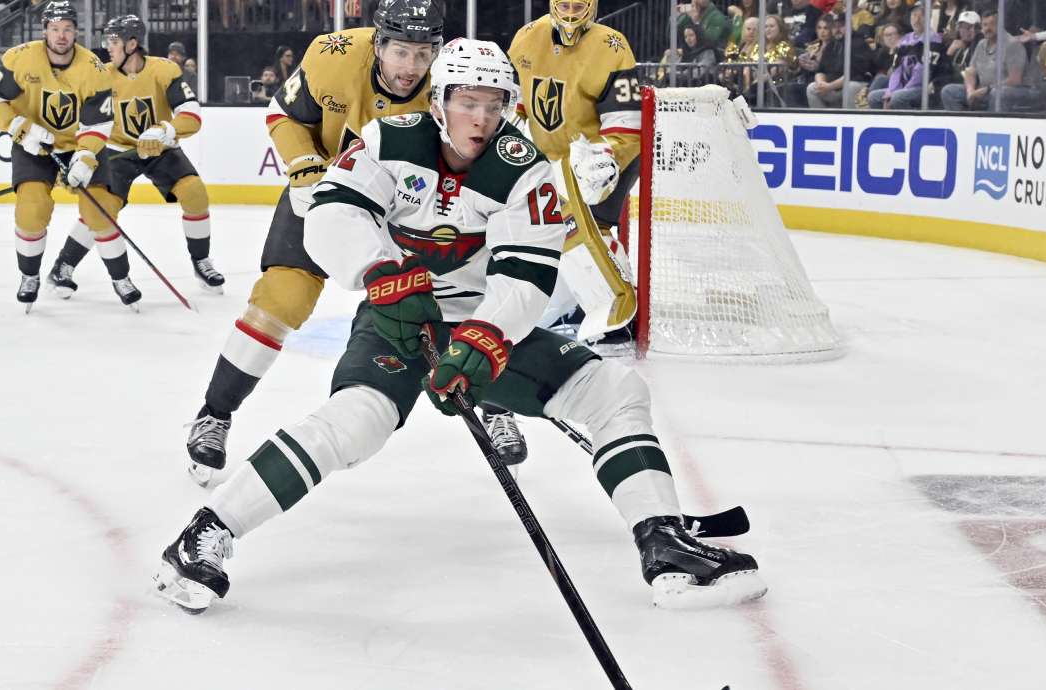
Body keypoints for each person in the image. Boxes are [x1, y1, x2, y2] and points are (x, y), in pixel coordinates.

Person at [152, 38, 768, 616]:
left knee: (615, 393)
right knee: (356, 424)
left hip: (479, 321)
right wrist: (380, 273)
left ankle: (662, 541)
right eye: (467, 102)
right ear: (440, 101)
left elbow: (527, 272)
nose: (480, 117)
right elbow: (333, 212)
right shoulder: (388, 139)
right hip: (395, 320)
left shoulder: (522, 167)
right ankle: (205, 534)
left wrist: (485, 337)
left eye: (494, 104)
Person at [183, 0, 443, 485]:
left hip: (408, 209)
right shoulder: (333, 54)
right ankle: (215, 413)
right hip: (326, 191)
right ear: (379, 43)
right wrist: (303, 164)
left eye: (423, 54)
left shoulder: (452, 82)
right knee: (280, 300)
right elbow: (283, 114)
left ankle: (495, 405)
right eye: (401, 51)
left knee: (447, 304)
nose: (411, 67)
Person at [505, 0, 646, 463]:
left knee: (582, 237)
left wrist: (602, 160)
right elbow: (520, 106)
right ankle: (567, 306)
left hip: (602, 161)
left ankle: (614, 309)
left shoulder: (611, 46)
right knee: (534, 240)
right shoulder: (527, 38)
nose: (569, 8)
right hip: (549, 162)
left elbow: (627, 127)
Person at [45, 15, 224, 302]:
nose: (108, 48)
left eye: (113, 42)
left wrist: (165, 131)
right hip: (117, 152)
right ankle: (63, 266)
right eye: (106, 42)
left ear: (132, 44)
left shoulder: (164, 70)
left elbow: (191, 116)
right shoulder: (99, 76)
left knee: (194, 192)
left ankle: (201, 262)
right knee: (101, 210)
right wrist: (72, 159)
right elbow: (78, 123)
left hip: (160, 148)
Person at [0, 0, 125, 310]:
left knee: (102, 210)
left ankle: (121, 278)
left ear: (76, 32)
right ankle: (29, 276)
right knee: (32, 209)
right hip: (33, 144)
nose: (61, 36)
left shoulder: (94, 69)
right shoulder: (18, 59)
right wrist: (19, 127)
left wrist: (85, 158)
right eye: (55, 29)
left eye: (68, 29)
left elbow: (98, 122)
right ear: (44, 30)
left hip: (78, 144)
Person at [941, 7, 1038, 111]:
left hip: (1015, 92)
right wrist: (970, 91)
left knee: (998, 94)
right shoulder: (981, 44)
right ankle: (965, 126)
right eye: (985, 25)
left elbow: (1015, 80)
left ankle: (992, 127)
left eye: (992, 24)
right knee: (949, 91)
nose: (987, 28)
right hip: (985, 91)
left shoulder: (1012, 44)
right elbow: (971, 71)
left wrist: (986, 90)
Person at [866, 3, 942, 109]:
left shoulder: (933, 40)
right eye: (914, 15)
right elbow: (897, 69)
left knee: (898, 97)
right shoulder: (905, 39)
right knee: (873, 97)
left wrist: (899, 92)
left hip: (922, 88)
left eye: (921, 16)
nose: (916, 20)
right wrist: (891, 91)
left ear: (928, 18)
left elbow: (921, 74)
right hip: (903, 87)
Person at [807, 13, 874, 107]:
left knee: (850, 87)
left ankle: (848, 120)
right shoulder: (832, 44)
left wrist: (829, 86)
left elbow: (852, 73)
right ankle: (822, 120)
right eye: (834, 26)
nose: (837, 29)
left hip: (857, 83)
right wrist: (821, 83)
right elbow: (821, 70)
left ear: (849, 26)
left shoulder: (858, 43)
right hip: (833, 86)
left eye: (841, 26)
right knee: (812, 88)